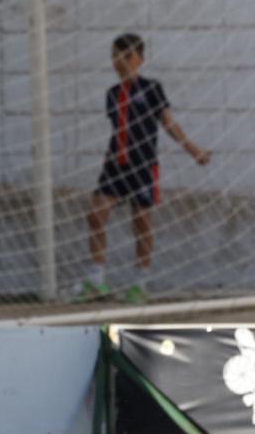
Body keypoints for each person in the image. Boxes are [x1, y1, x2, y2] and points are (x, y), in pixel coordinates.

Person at [82, 33, 211, 304]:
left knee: (141, 223)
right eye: (115, 55)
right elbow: (117, 130)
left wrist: (194, 151)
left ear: (139, 59)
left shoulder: (151, 89)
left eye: (126, 55)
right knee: (95, 216)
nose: (119, 61)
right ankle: (95, 281)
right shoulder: (112, 94)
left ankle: (140, 284)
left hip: (143, 166)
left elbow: (168, 123)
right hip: (115, 166)